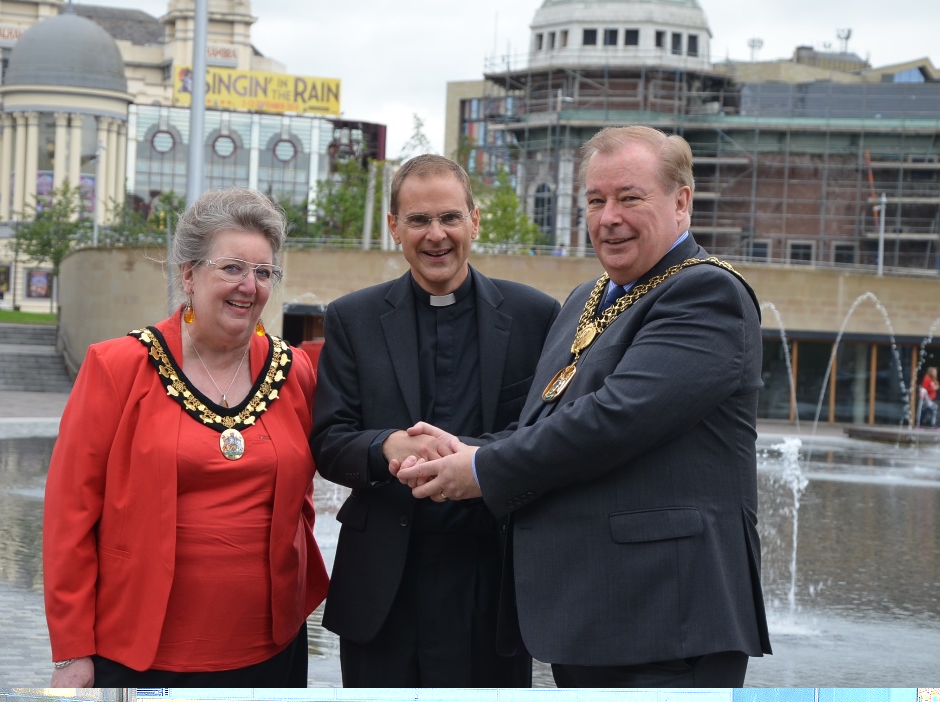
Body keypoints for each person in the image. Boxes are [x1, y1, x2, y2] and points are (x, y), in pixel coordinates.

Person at [395, 126, 772, 687]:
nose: (608, 217)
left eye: (629, 197)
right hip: (593, 611)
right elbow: (548, 422)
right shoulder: (585, 298)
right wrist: (465, 450)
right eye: (595, 201)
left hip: (669, 619)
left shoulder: (706, 294)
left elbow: (612, 421)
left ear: (682, 201)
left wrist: (478, 470)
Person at [43, 187, 329, 686]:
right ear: (189, 274)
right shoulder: (117, 367)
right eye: (233, 268)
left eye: (264, 272)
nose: (249, 286)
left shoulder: (294, 371)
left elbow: (300, 498)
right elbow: (69, 517)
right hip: (138, 655)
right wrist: (71, 653)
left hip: (272, 652)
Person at [310, 154, 561, 687]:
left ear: (474, 220)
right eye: (419, 220)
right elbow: (328, 440)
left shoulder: (536, 317)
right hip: (383, 586)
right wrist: (386, 447)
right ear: (394, 228)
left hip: (490, 583)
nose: (436, 235)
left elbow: (548, 434)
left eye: (449, 217)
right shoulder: (351, 318)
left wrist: (476, 462)